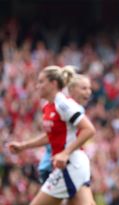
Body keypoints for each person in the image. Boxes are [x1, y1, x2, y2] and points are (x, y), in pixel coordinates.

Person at [8, 65, 96, 205]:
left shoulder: (63, 104)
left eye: (41, 82)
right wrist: (24, 145)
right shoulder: (48, 106)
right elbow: (51, 136)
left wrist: (65, 153)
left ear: (53, 84)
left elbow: (89, 129)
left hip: (70, 165)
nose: (37, 86)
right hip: (71, 165)